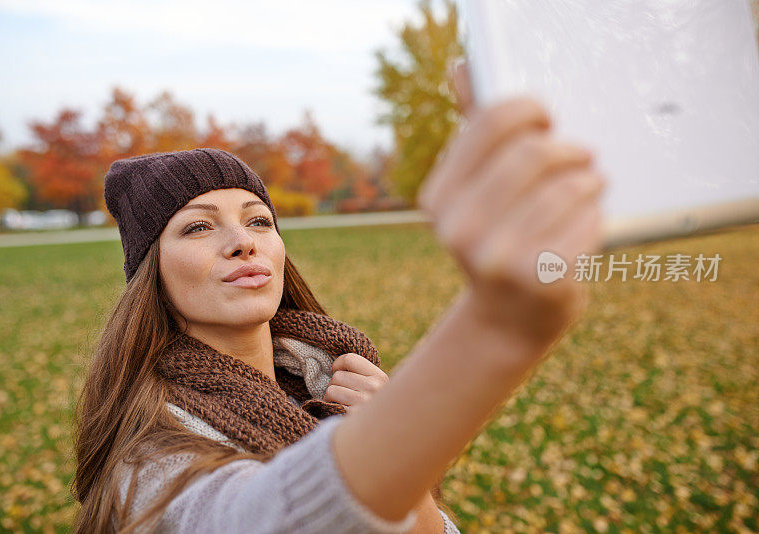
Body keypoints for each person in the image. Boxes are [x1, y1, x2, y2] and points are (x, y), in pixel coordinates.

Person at [71, 62, 605, 533]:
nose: (242, 242)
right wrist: (494, 328)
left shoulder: (329, 374)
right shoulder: (152, 455)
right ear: (151, 272)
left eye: (259, 220)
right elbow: (265, 520)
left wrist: (392, 443)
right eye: (197, 228)